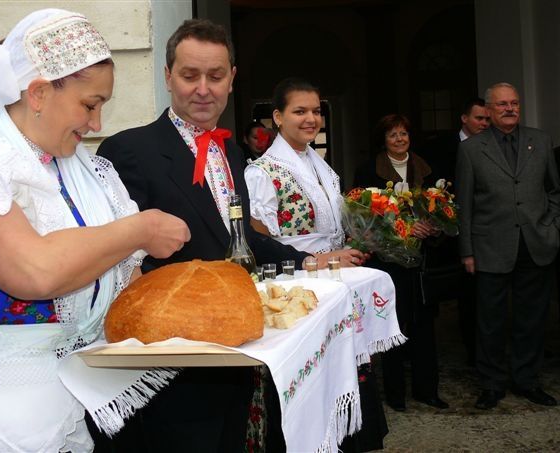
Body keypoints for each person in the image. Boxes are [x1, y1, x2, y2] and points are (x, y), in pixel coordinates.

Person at [0, 9, 190, 451]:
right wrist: (139, 228)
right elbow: (35, 272)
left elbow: (128, 292)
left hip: (83, 396)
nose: (97, 125)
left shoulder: (93, 175)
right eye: (90, 104)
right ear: (40, 92)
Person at [98, 18, 365, 453]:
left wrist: (308, 261)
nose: (203, 88)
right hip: (170, 363)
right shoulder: (130, 150)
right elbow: (119, 256)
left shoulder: (232, 151)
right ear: (168, 77)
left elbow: (239, 238)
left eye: (216, 76)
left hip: (236, 345)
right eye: (189, 75)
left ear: (232, 80)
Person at [245, 77, 384, 452]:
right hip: (297, 288)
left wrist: (356, 243)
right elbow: (261, 244)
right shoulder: (263, 172)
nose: (311, 119)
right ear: (277, 117)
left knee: (342, 371)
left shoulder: (320, 166)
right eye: (299, 111)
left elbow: (334, 226)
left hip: (335, 284)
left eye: (317, 111)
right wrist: (318, 258)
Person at [457, 82, 560, 410]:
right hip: (490, 247)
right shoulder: (472, 149)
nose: (509, 109)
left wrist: (552, 227)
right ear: (488, 110)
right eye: (502, 104)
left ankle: (527, 380)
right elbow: (465, 205)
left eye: (514, 103)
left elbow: (554, 190)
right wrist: (467, 251)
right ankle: (491, 384)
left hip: (535, 244)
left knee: (531, 318)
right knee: (491, 321)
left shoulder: (540, 141)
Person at [353, 114, 448, 412]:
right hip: (388, 263)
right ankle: (395, 394)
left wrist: (432, 227)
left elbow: (442, 209)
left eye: (403, 134)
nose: (399, 139)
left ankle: (427, 391)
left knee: (424, 328)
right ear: (383, 140)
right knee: (391, 326)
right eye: (392, 134)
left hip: (421, 263)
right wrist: (403, 229)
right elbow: (363, 217)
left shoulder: (429, 169)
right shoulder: (368, 171)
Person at [419, 97, 490, 367]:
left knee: (476, 298)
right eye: (479, 118)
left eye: (486, 119)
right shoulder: (438, 147)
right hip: (445, 237)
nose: (484, 123)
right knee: (442, 296)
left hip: (481, 231)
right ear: (464, 118)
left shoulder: (491, 143)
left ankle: (476, 356)